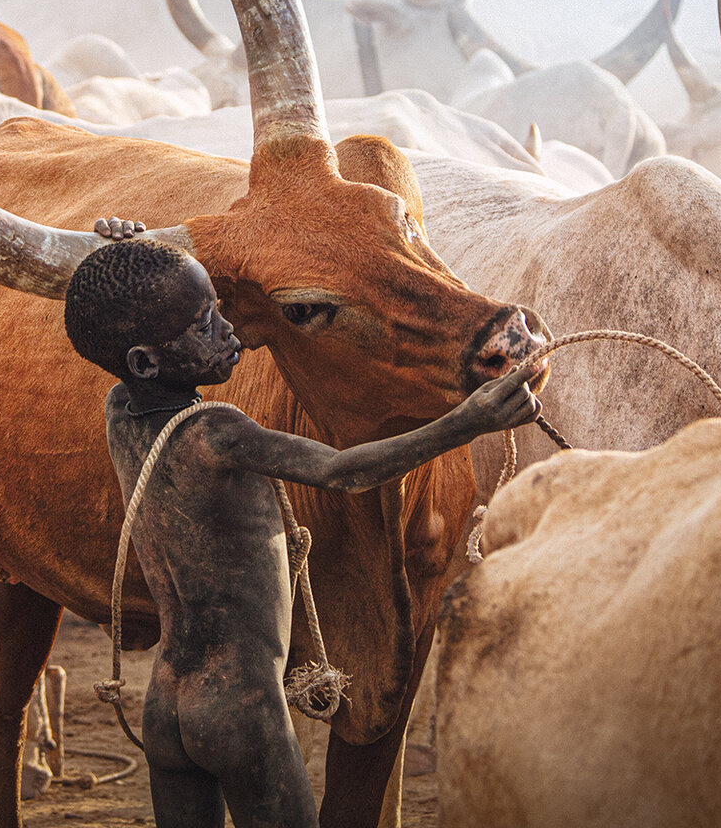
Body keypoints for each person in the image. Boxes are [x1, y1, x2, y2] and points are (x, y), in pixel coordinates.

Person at [65, 224, 541, 828]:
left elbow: (118, 328)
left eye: (216, 306)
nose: (228, 327)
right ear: (146, 359)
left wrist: (119, 254)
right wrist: (467, 422)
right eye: (203, 322)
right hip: (240, 703)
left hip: (166, 701)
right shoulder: (217, 432)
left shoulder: (120, 410)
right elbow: (342, 471)